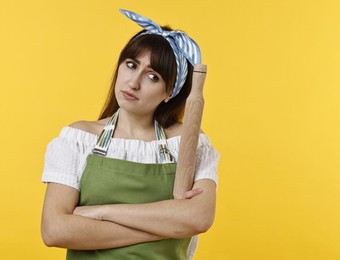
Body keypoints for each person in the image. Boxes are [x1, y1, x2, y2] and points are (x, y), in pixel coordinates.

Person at [40, 9, 219, 260]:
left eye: (152, 76)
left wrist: (102, 212)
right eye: (131, 65)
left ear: (170, 92)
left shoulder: (188, 143)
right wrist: (168, 225)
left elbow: (198, 217)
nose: (133, 82)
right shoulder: (78, 139)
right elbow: (55, 230)